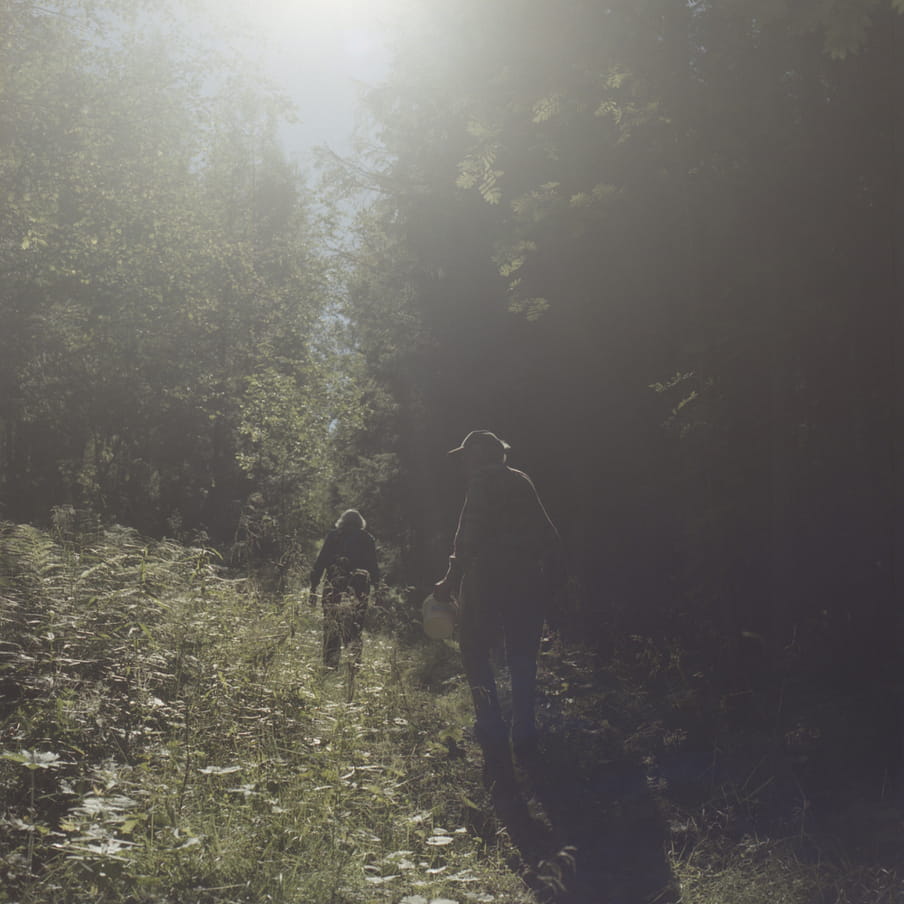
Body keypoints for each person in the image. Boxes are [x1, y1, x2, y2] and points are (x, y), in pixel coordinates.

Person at [433, 430, 564, 792]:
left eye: (466, 455)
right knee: (522, 653)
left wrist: (449, 580)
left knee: (474, 649)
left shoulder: (481, 481)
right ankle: (524, 729)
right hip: (527, 579)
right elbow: (548, 534)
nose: (463, 462)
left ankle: (491, 726)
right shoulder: (521, 480)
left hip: (486, 579)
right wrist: (552, 582)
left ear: (479, 455)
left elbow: (468, 536)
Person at [310, 509, 379, 672]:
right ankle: (353, 666)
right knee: (355, 628)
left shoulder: (333, 537)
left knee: (331, 626)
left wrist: (313, 587)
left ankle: (329, 665)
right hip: (359, 589)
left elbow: (320, 563)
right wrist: (378, 590)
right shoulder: (367, 539)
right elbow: (374, 567)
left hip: (333, 588)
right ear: (360, 523)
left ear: (342, 521)